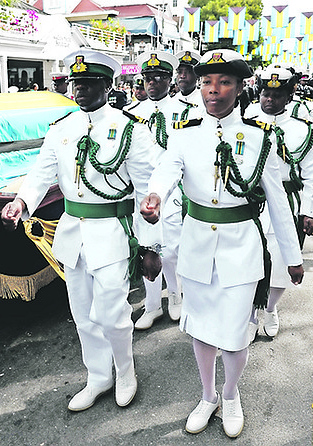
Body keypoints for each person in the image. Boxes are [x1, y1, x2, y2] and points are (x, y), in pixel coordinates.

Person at [140, 49, 304, 438]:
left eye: (224, 82)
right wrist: (155, 197)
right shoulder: (183, 137)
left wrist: (293, 258)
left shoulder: (259, 139)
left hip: (241, 248)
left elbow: (278, 203)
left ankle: (230, 395)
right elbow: (166, 171)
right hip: (197, 247)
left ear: (241, 87)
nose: (214, 90)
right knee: (200, 329)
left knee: (232, 334)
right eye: (207, 82)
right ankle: (207, 394)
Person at [0, 48, 162, 413]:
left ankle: (125, 372)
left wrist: (152, 246)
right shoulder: (62, 129)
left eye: (89, 83)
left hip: (113, 234)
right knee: (83, 313)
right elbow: (40, 174)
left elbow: (148, 191)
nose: (80, 90)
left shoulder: (131, 131)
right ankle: (98, 376)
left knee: (113, 314)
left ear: (108, 85)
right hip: (73, 234)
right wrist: (21, 204)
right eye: (77, 83)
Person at [125, 49, 202, 330]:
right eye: (148, 78)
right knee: (146, 247)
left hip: (173, 191)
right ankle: (152, 304)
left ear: (170, 80)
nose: (152, 83)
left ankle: (175, 296)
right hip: (140, 192)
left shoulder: (187, 112)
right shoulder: (131, 114)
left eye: (159, 78)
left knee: (170, 249)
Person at [244, 67, 313, 340]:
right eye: (265, 93)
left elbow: (312, 175)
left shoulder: (302, 130)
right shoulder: (245, 123)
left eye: (277, 95)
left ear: (289, 96)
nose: (269, 100)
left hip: (287, 202)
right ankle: (251, 312)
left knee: (282, 263)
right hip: (253, 202)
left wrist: (308, 212)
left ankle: (271, 308)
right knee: (250, 261)